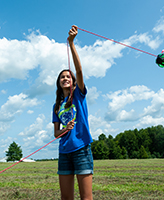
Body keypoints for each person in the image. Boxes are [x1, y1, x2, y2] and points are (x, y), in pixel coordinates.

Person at [52, 25, 93, 200]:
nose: (65, 78)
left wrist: (71, 43)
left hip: (82, 149)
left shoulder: (79, 95)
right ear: (59, 83)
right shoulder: (56, 106)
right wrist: (65, 128)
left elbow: (80, 70)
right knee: (66, 198)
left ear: (73, 82)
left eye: (68, 76)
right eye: (62, 77)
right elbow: (56, 134)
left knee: (86, 198)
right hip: (64, 152)